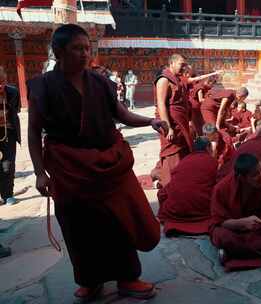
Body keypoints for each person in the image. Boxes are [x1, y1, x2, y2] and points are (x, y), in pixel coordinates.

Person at [27, 24, 162, 300]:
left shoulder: (100, 82)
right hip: (69, 168)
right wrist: (40, 173)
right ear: (59, 51)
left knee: (119, 220)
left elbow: (122, 114)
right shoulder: (43, 87)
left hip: (108, 163)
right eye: (77, 48)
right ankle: (91, 280)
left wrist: (151, 120)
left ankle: (128, 277)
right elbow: (32, 132)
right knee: (79, 227)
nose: (85, 54)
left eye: (87, 48)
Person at [210, 153, 261, 264]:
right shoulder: (222, 188)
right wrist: (241, 223)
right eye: (255, 175)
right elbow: (218, 221)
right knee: (222, 235)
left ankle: (235, 253)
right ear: (241, 178)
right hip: (237, 230)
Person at [158, 137, 217, 235]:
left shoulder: (184, 160)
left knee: (164, 192)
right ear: (208, 148)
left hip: (175, 211)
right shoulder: (211, 161)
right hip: (201, 211)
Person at [154, 54, 193, 187]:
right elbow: (161, 104)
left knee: (182, 153)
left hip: (180, 123)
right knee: (172, 155)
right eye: (181, 65)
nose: (184, 67)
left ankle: (178, 181)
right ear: (172, 63)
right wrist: (167, 127)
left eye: (185, 65)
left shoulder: (177, 79)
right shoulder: (164, 80)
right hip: (171, 124)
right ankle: (169, 185)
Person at [0, 66, 20, 206]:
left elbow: (16, 110)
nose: (1, 85)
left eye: (2, 81)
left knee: (8, 164)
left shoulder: (13, 92)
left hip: (8, 132)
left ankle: (8, 195)